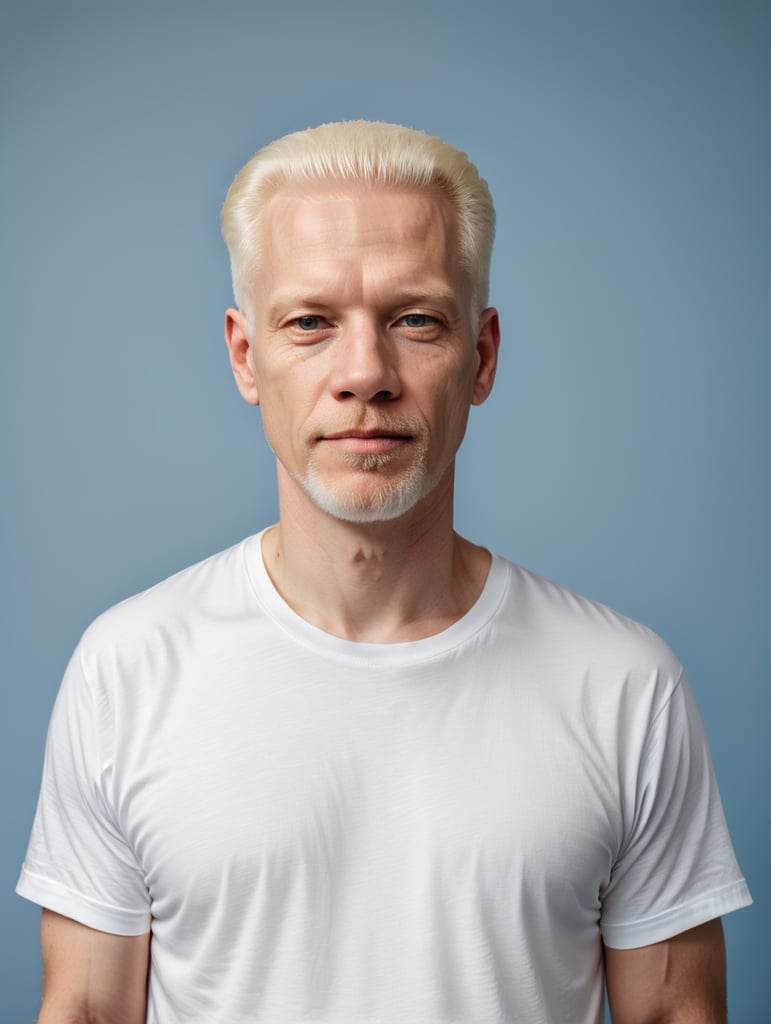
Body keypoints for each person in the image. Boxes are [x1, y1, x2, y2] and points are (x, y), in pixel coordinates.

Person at [17, 120, 751, 1024]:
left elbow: (676, 1013)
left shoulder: (623, 686)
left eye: (415, 321)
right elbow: (85, 1011)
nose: (365, 374)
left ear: (481, 357)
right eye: (310, 323)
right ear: (246, 356)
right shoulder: (127, 669)